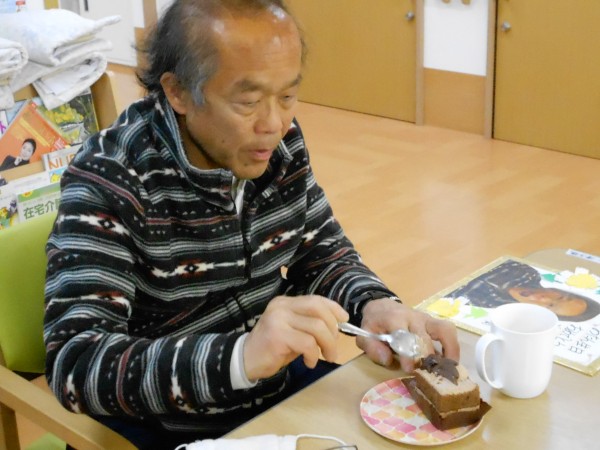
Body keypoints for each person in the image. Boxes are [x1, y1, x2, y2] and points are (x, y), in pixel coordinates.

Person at [43, 1, 459, 448]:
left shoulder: (278, 146)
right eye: (248, 101)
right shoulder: (111, 177)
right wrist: (240, 357)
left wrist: (373, 304)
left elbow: (323, 254)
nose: (275, 124)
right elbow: (76, 363)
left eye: (287, 96)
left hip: (278, 398)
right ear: (178, 92)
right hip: (167, 429)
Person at [449, 259, 600, 322]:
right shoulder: (526, 273)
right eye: (560, 297)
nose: (545, 299)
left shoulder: (491, 305)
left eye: (550, 306)